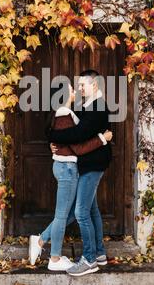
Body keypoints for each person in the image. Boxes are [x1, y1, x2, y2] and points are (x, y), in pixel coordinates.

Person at [28, 80, 112, 271]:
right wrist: (103, 139)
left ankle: (44, 242)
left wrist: (54, 140)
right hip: (67, 169)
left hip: (73, 167)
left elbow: (64, 137)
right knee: (67, 214)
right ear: (64, 95)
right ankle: (53, 256)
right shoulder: (65, 114)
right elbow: (78, 146)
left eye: (79, 86)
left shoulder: (69, 112)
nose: (76, 90)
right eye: (72, 89)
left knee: (82, 210)